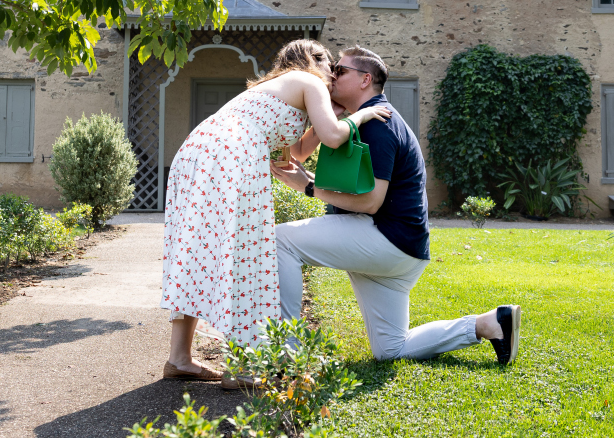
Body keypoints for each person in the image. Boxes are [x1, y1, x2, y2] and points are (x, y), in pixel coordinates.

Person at [271, 46, 521, 365]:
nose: (331, 73)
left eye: (340, 69)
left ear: (365, 79)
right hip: (401, 250)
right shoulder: (356, 118)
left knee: (280, 240)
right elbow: (299, 153)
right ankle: (489, 324)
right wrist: (314, 107)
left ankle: (285, 355)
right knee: (391, 349)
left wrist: (308, 187)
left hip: (385, 238)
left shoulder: (378, 123)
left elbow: (372, 202)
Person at [160, 39, 390, 380]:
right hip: (230, 153)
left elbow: (295, 151)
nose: (333, 76)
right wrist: (362, 114)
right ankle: (244, 367)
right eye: (332, 67)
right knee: (245, 254)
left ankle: (179, 358)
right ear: (315, 61)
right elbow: (333, 137)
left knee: (197, 253)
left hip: (201, 150)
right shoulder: (309, 80)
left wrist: (335, 116)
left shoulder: (280, 86)